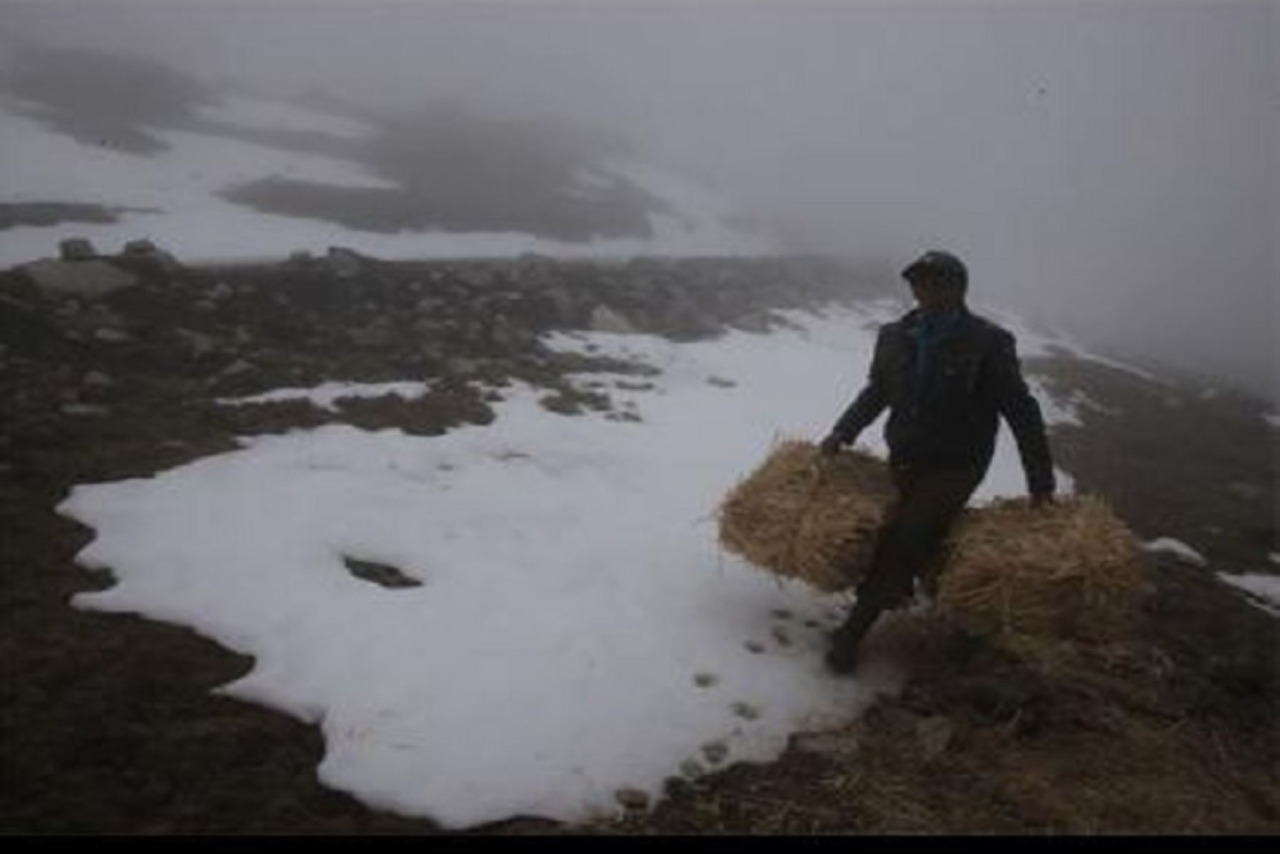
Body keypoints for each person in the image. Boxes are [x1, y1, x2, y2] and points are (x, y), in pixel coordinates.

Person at [818, 249, 1056, 675]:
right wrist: (842, 431)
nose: (925, 289)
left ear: (959, 288)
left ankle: (853, 631)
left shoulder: (988, 342)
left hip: (956, 465)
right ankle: (960, 616)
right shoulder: (894, 335)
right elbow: (877, 392)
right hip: (905, 457)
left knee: (904, 537)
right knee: (919, 536)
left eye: (936, 281)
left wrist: (1040, 481)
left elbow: (1021, 411)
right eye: (918, 282)